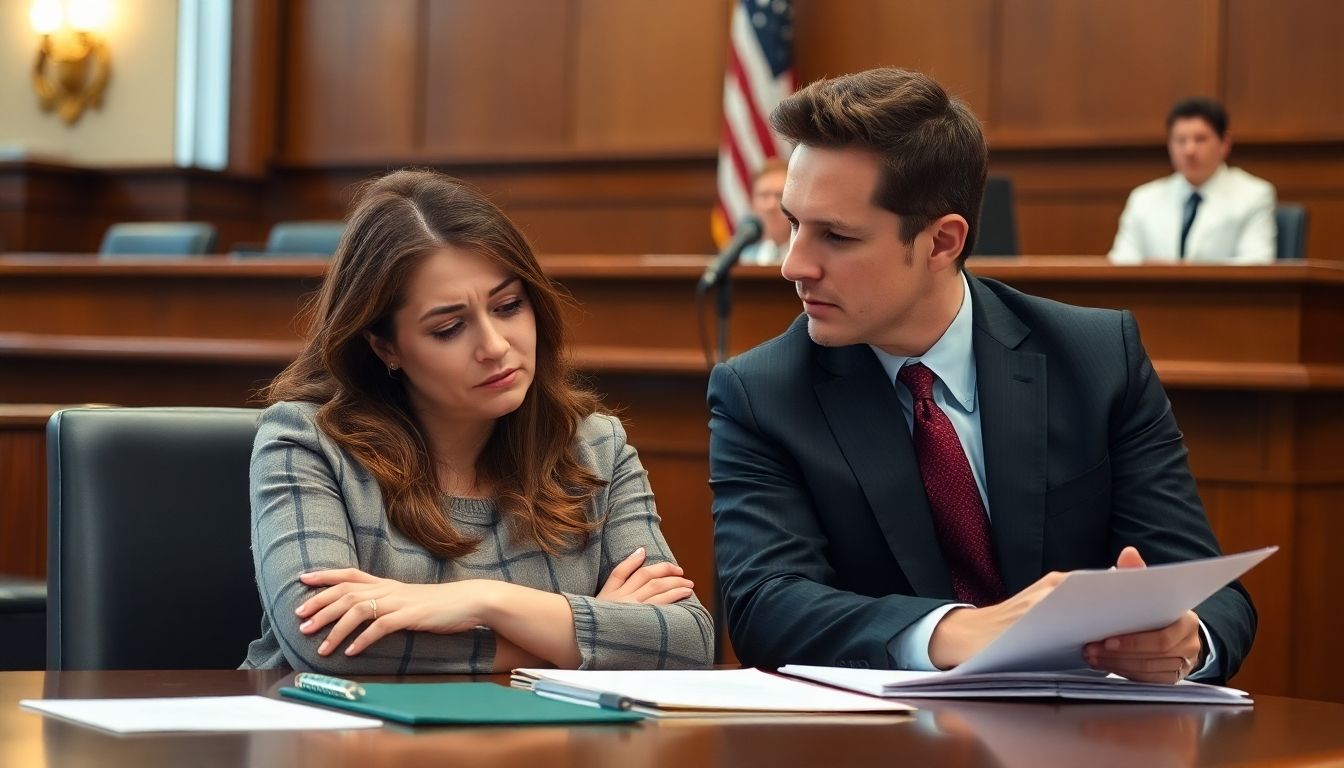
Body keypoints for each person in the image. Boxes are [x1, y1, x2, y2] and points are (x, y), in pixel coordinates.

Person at [708, 68, 1255, 685]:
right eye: (793, 223)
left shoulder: (1099, 358)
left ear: (943, 242)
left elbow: (1214, 592)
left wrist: (1184, 638)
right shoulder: (761, 392)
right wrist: (954, 630)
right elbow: (764, 606)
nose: (793, 264)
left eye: (836, 235)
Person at [243, 169, 713, 673]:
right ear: (386, 347)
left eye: (509, 306)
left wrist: (487, 601)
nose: (494, 346)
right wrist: (581, 636)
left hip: (541, 748)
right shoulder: (306, 442)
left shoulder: (594, 446)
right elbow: (324, 642)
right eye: (449, 328)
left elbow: (688, 639)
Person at [1109, 98, 1276, 264]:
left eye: (1200, 139)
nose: (1189, 150)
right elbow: (1120, 263)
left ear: (1224, 143)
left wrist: (1178, 273)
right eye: (1180, 140)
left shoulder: (1254, 195)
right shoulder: (1143, 199)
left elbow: (1256, 264)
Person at [739, 159, 791, 266]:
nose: (771, 206)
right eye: (763, 195)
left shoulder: (811, 256)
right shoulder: (739, 258)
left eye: (780, 195)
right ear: (752, 202)